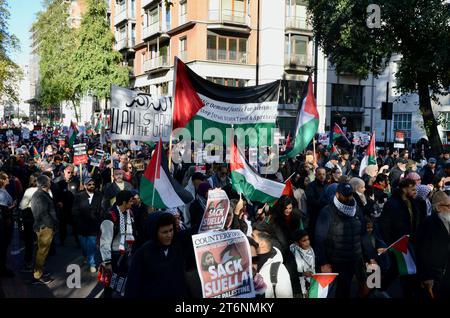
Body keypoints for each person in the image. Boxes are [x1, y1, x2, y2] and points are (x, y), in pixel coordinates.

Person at [314, 182, 366, 298]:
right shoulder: (327, 212)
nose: (348, 197)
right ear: (337, 195)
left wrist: (369, 255)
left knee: (348, 289)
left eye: (350, 194)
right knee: (339, 291)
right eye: (345, 195)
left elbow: (363, 233)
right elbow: (319, 239)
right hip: (336, 260)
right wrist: (323, 262)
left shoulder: (356, 209)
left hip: (354, 258)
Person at [124, 212, 187, 298]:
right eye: (164, 232)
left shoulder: (177, 245)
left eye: (171, 230)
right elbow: (132, 287)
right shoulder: (142, 254)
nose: (169, 235)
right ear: (154, 232)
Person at [99, 190, 136, 298]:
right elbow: (105, 241)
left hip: (126, 254)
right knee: (110, 285)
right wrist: (107, 262)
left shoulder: (129, 213)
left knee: (123, 282)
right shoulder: (111, 216)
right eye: (130, 201)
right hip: (114, 256)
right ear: (124, 202)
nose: (132, 203)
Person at [416, 191, 450, 298]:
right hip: (436, 276)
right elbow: (422, 252)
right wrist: (427, 276)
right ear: (439, 207)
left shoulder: (447, 220)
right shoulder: (428, 224)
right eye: (449, 206)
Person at [252, 222, 293, 298]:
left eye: (252, 237)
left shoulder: (279, 270)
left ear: (262, 243)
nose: (250, 241)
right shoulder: (250, 263)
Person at [30, 175, 58, 284]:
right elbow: (43, 214)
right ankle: (37, 276)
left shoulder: (41, 194)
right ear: (44, 184)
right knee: (42, 252)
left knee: (42, 251)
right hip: (44, 227)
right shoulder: (40, 196)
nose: (51, 183)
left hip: (44, 226)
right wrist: (51, 226)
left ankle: (39, 271)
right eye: (49, 181)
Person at [72, 177, 103, 273]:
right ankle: (86, 256)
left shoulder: (99, 196)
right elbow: (74, 210)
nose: (92, 186)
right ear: (85, 186)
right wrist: (77, 220)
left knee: (92, 245)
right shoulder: (79, 196)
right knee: (84, 245)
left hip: (94, 226)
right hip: (82, 225)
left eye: (93, 184)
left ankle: (92, 264)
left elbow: (103, 209)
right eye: (89, 184)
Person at [54, 164, 80, 246]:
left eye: (72, 172)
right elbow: (54, 194)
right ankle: (62, 240)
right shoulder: (58, 181)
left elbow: (79, 194)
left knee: (76, 226)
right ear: (64, 172)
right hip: (63, 209)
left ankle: (78, 242)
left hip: (73, 208)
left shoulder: (77, 181)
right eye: (68, 172)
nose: (70, 174)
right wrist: (58, 201)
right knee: (62, 226)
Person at [19, 173, 40, 271]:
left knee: (29, 242)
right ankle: (39, 264)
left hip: (31, 217)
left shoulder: (29, 191)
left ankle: (28, 262)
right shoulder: (45, 190)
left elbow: (23, 206)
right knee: (40, 242)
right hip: (42, 218)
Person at [290, 229, 315, 298]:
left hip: (311, 285)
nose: (308, 242)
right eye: (304, 241)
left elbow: (314, 267)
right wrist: (303, 274)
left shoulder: (311, 251)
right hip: (297, 290)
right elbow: (290, 273)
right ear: (297, 243)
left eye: (308, 239)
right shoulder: (291, 254)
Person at [305, 167, 327, 241]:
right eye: (320, 174)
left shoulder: (327, 185)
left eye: (324, 174)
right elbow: (311, 201)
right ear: (316, 175)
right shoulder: (311, 186)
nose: (322, 176)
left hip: (325, 215)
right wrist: (324, 202)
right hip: (314, 216)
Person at [0, 171, 15, 277]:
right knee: (3, 245)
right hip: (4, 224)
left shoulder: (4, 190)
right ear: (2, 180)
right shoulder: (1, 193)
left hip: (5, 222)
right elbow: (3, 208)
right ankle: (2, 269)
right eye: (7, 178)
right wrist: (12, 207)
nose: (8, 180)